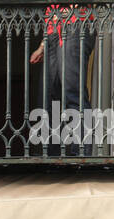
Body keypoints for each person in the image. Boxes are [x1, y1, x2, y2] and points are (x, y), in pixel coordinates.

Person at [31, 5, 96, 156]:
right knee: (47, 96)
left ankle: (81, 153)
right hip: (54, 33)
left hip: (75, 23)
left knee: (72, 93)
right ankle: (51, 154)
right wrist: (42, 46)